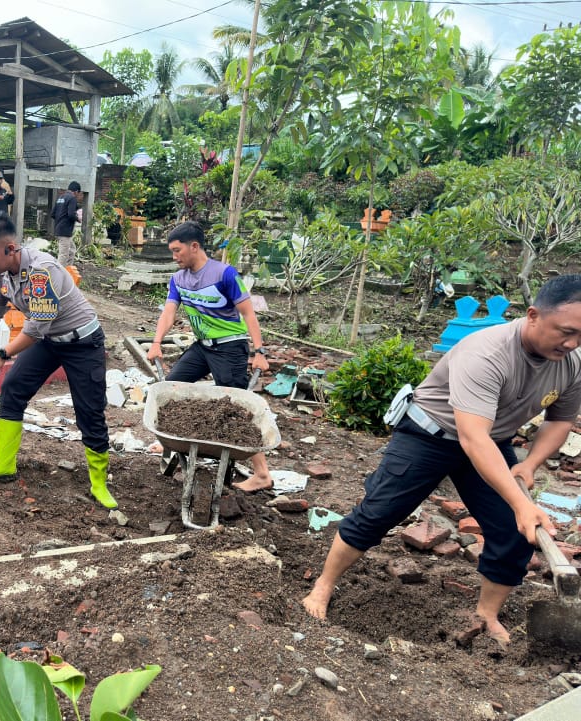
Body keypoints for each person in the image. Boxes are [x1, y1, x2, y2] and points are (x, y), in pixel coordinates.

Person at [301, 275, 581, 644]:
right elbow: (472, 437)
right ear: (532, 315)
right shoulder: (487, 352)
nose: (573, 342)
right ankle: (323, 585)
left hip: (490, 440)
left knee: (515, 531)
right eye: (566, 331)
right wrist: (520, 503)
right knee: (380, 512)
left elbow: (560, 419)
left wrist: (529, 466)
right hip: (430, 435)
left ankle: (487, 612)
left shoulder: (571, 361)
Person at [0, 214, 116, 509]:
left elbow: (35, 328)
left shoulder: (41, 271)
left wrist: (0, 356)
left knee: (89, 411)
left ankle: (99, 482)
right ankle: (3, 464)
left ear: (10, 249)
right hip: (50, 341)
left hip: (82, 343)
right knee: (13, 388)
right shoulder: (2, 274)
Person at [145, 221, 272, 492]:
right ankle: (173, 442)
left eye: (177, 250)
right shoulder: (178, 279)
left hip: (230, 346)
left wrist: (259, 352)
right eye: (171, 251)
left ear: (194, 246)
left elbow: (249, 313)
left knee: (237, 406)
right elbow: (169, 312)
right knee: (171, 387)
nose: (174, 256)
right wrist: (156, 342)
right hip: (202, 346)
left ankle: (262, 474)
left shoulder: (224, 274)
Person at [52, 181, 82, 266]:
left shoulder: (60, 197)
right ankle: (59, 275)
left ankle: (68, 271)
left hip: (59, 229)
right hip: (65, 231)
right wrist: (78, 219)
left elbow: (53, 214)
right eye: (78, 193)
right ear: (76, 191)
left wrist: (60, 220)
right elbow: (71, 214)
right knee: (63, 254)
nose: (77, 195)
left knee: (72, 250)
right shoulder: (72, 198)